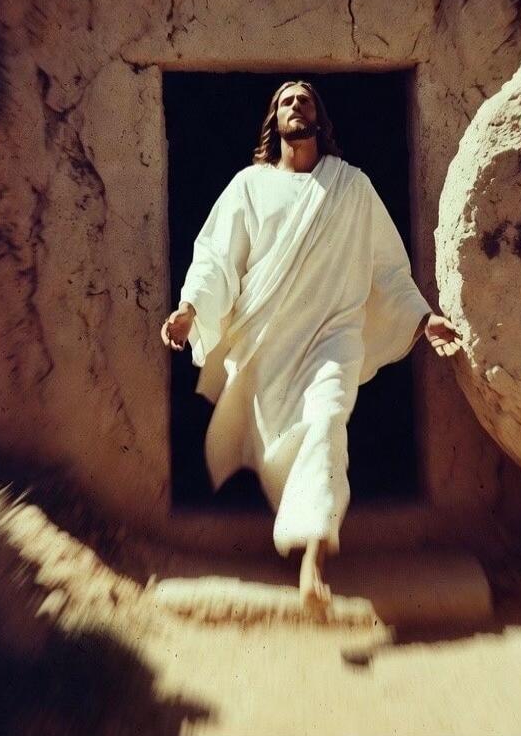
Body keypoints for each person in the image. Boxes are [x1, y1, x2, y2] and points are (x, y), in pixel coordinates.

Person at [161, 80, 459, 615]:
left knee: (325, 423)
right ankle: (300, 529)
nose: (295, 105)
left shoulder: (353, 188)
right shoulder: (249, 187)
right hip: (270, 344)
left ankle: (313, 561)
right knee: (285, 445)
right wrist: (190, 309)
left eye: (305, 99)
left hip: (333, 338)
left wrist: (422, 318)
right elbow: (216, 260)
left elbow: (387, 268)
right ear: (273, 121)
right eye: (285, 100)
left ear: (319, 118)